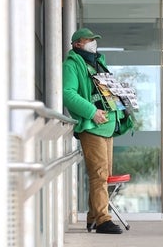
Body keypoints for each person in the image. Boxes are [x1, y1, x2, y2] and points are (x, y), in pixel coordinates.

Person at [62, 28, 133, 234]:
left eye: (94, 40)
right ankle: (103, 219)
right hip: (92, 126)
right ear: (77, 44)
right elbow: (68, 93)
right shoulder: (72, 65)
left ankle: (93, 218)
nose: (93, 43)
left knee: (104, 175)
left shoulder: (98, 63)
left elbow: (107, 91)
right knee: (99, 175)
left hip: (107, 127)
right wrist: (92, 112)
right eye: (89, 40)